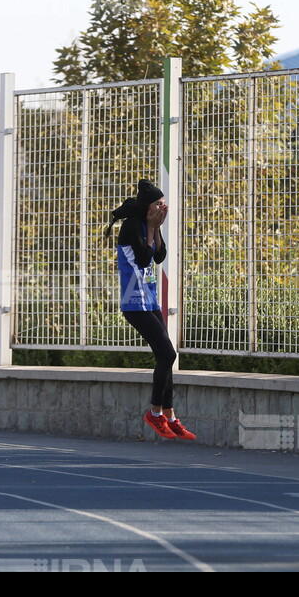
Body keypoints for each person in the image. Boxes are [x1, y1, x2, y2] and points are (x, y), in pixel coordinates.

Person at [105, 179, 195, 440]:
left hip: (150, 300)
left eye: (163, 202)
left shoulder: (148, 224)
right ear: (147, 206)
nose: (162, 206)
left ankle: (170, 416)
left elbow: (159, 255)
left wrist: (155, 229)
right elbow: (144, 258)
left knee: (165, 356)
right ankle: (155, 413)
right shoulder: (132, 226)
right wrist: (152, 228)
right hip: (135, 303)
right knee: (168, 354)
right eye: (158, 203)